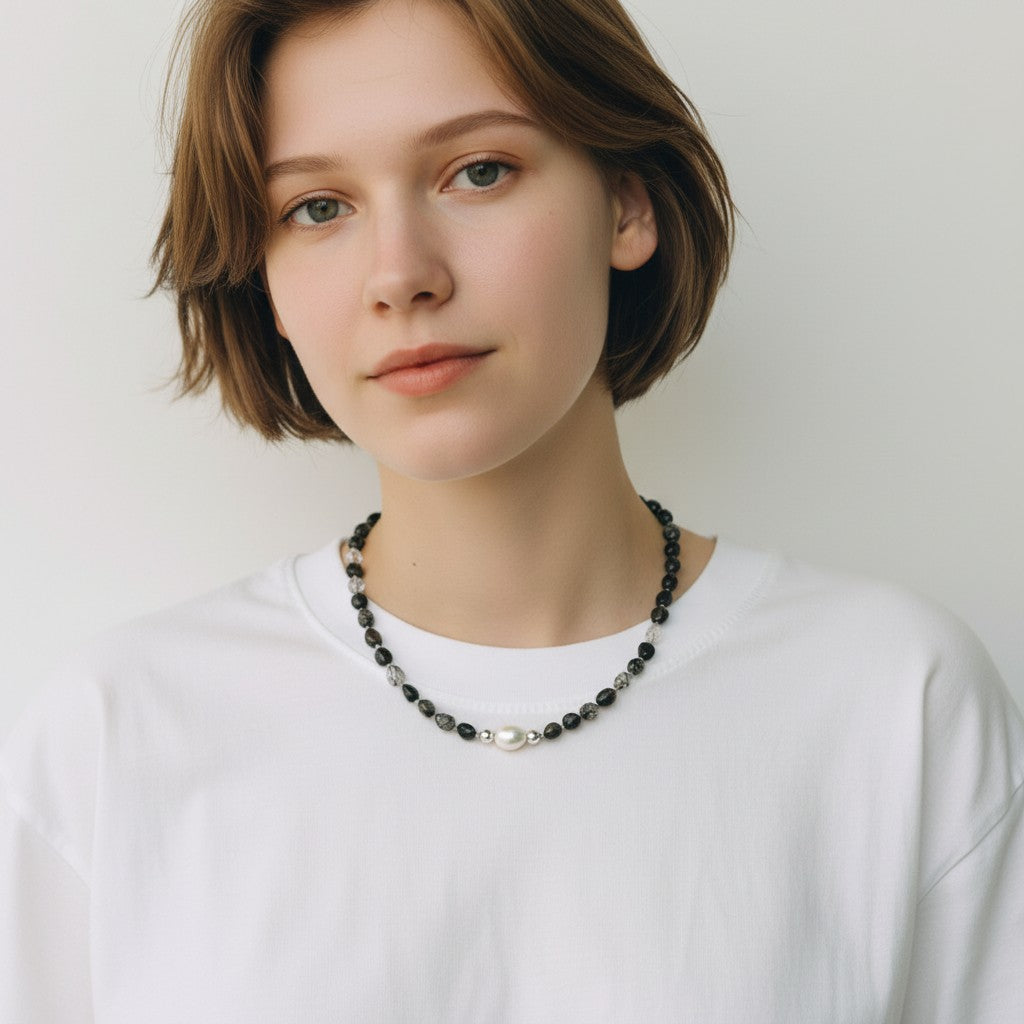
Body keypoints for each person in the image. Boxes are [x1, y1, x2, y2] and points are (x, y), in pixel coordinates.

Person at [1, 0, 1021, 1020]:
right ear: (263, 278)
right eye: (317, 207)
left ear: (626, 205)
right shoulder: (120, 734)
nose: (401, 275)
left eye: (478, 171)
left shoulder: (893, 704)